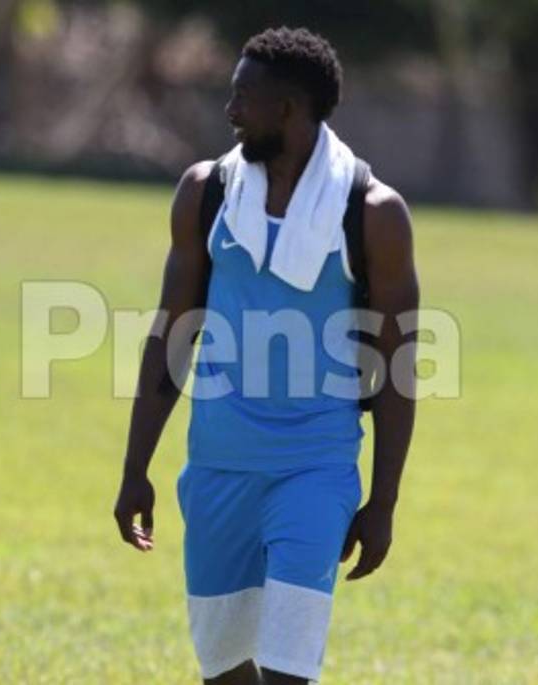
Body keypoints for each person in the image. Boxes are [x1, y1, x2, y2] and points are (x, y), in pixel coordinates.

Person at [114, 27, 419, 684]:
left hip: (315, 469)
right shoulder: (207, 193)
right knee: (224, 670)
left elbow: (399, 371)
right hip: (218, 467)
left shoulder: (373, 214)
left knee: (287, 669)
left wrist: (384, 501)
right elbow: (172, 336)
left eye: (242, 98)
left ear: (288, 109)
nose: (229, 113)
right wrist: (135, 468)